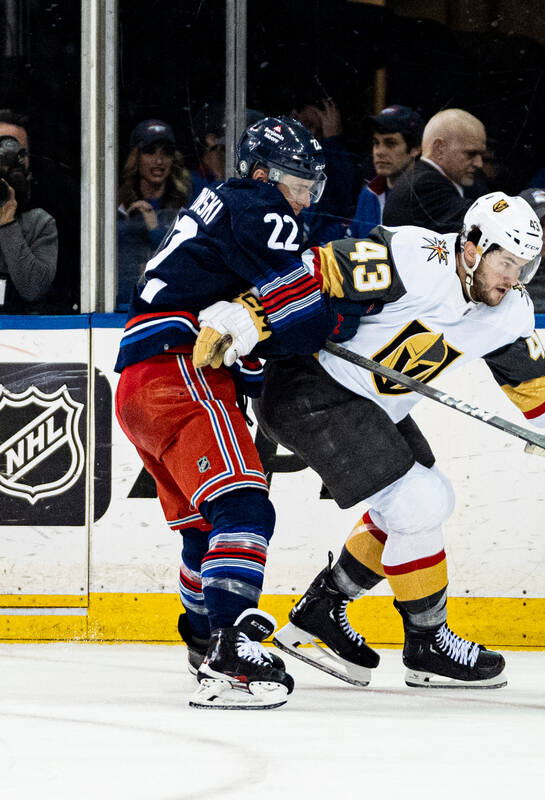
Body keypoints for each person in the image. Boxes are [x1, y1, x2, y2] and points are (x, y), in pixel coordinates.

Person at [255, 191, 545, 689]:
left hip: (369, 406)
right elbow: (316, 270)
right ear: (471, 246)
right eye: (506, 262)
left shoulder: (506, 311)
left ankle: (321, 611)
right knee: (419, 503)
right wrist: (245, 317)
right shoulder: (414, 255)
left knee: (422, 497)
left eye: (525, 266)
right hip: (308, 388)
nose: (514, 278)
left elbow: (542, 394)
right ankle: (427, 643)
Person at [113, 116, 336, 709]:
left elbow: (253, 340)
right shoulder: (258, 203)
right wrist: (322, 309)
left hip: (138, 384)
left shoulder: (214, 208)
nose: (302, 198)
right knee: (244, 505)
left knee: (203, 529)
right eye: (295, 182)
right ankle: (230, 653)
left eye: (311, 186)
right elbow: (308, 319)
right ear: (262, 174)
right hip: (181, 369)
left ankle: (202, 638)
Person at [116, 120, 193, 308]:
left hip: (174, 306)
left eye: (166, 153)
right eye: (150, 151)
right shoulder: (116, 202)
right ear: (136, 156)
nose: (159, 161)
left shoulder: (188, 201)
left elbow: (188, 263)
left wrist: (154, 229)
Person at [382, 108, 486, 232]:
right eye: (471, 153)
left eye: (480, 155)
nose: (479, 164)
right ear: (439, 148)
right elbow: (485, 220)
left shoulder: (427, 180)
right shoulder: (423, 185)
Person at [0, 109, 57, 313]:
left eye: (17, 150)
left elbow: (33, 288)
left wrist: (7, 223)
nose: (8, 157)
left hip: (25, 334)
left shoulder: (40, 223)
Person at [350, 104, 425, 238]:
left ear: (415, 149)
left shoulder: (428, 197)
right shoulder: (368, 194)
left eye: (390, 143)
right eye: (376, 143)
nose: (379, 152)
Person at [293, 96, 359, 246]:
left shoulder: (334, 164)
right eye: (307, 125)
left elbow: (345, 195)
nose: (312, 134)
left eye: (320, 129)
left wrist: (333, 140)